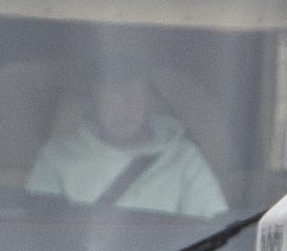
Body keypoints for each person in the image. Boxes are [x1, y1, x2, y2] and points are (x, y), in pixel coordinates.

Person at [27, 53, 228, 219]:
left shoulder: (185, 159)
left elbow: (213, 230)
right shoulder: (56, 159)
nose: (121, 110)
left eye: (131, 98)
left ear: (149, 101)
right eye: (110, 100)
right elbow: (38, 237)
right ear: (94, 103)